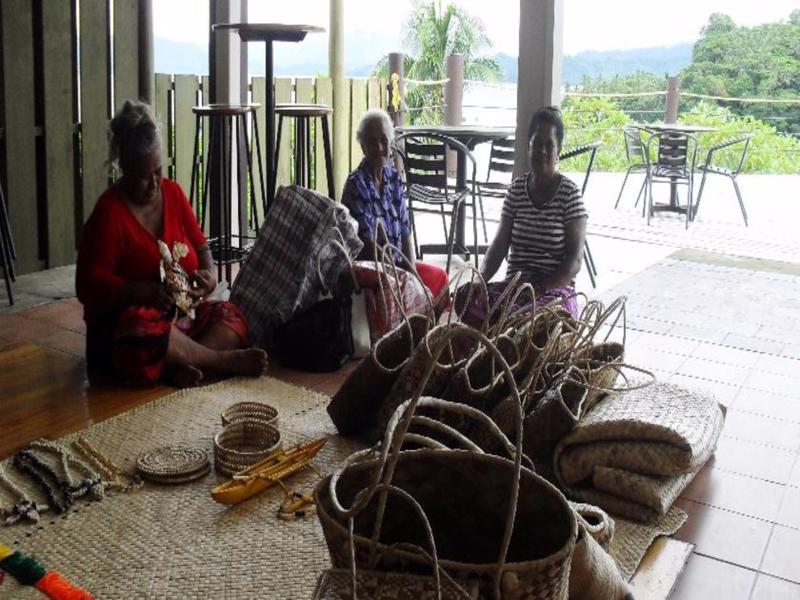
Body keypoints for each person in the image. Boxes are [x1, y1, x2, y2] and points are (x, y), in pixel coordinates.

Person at [76, 100, 267, 387]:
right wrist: (138, 291)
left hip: (180, 321)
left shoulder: (173, 194)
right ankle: (220, 361)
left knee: (231, 315)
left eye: (158, 172)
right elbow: (87, 285)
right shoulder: (109, 214)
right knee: (143, 328)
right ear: (124, 168)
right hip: (124, 332)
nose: (154, 184)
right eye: (143, 177)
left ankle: (175, 366)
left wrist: (209, 277)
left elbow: (202, 248)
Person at [463, 106, 587, 323]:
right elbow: (500, 245)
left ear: (559, 150)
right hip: (515, 288)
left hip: (554, 291)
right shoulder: (516, 190)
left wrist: (540, 288)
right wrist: (480, 279)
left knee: (532, 322)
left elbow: (574, 261)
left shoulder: (570, 194)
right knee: (465, 301)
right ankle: (502, 341)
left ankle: (505, 337)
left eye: (549, 145)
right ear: (528, 146)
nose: (542, 151)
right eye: (537, 143)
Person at [341, 108, 449, 302]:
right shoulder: (356, 185)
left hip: (399, 266)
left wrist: (413, 274)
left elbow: (405, 231)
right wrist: (402, 279)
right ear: (363, 147)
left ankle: (424, 328)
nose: (379, 147)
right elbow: (366, 247)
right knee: (404, 299)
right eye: (372, 142)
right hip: (374, 274)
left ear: (391, 143)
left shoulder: (393, 178)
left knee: (439, 280)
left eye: (384, 140)